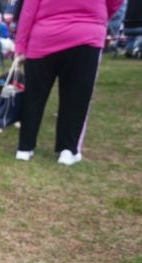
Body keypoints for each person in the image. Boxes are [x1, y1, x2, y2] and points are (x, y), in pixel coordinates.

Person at [14, 0, 124, 165]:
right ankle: (67, 149)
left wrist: (21, 45)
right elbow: (116, 2)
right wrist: (96, 17)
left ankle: (25, 147)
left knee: (34, 97)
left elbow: (29, 9)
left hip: (45, 35)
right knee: (76, 98)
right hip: (86, 35)